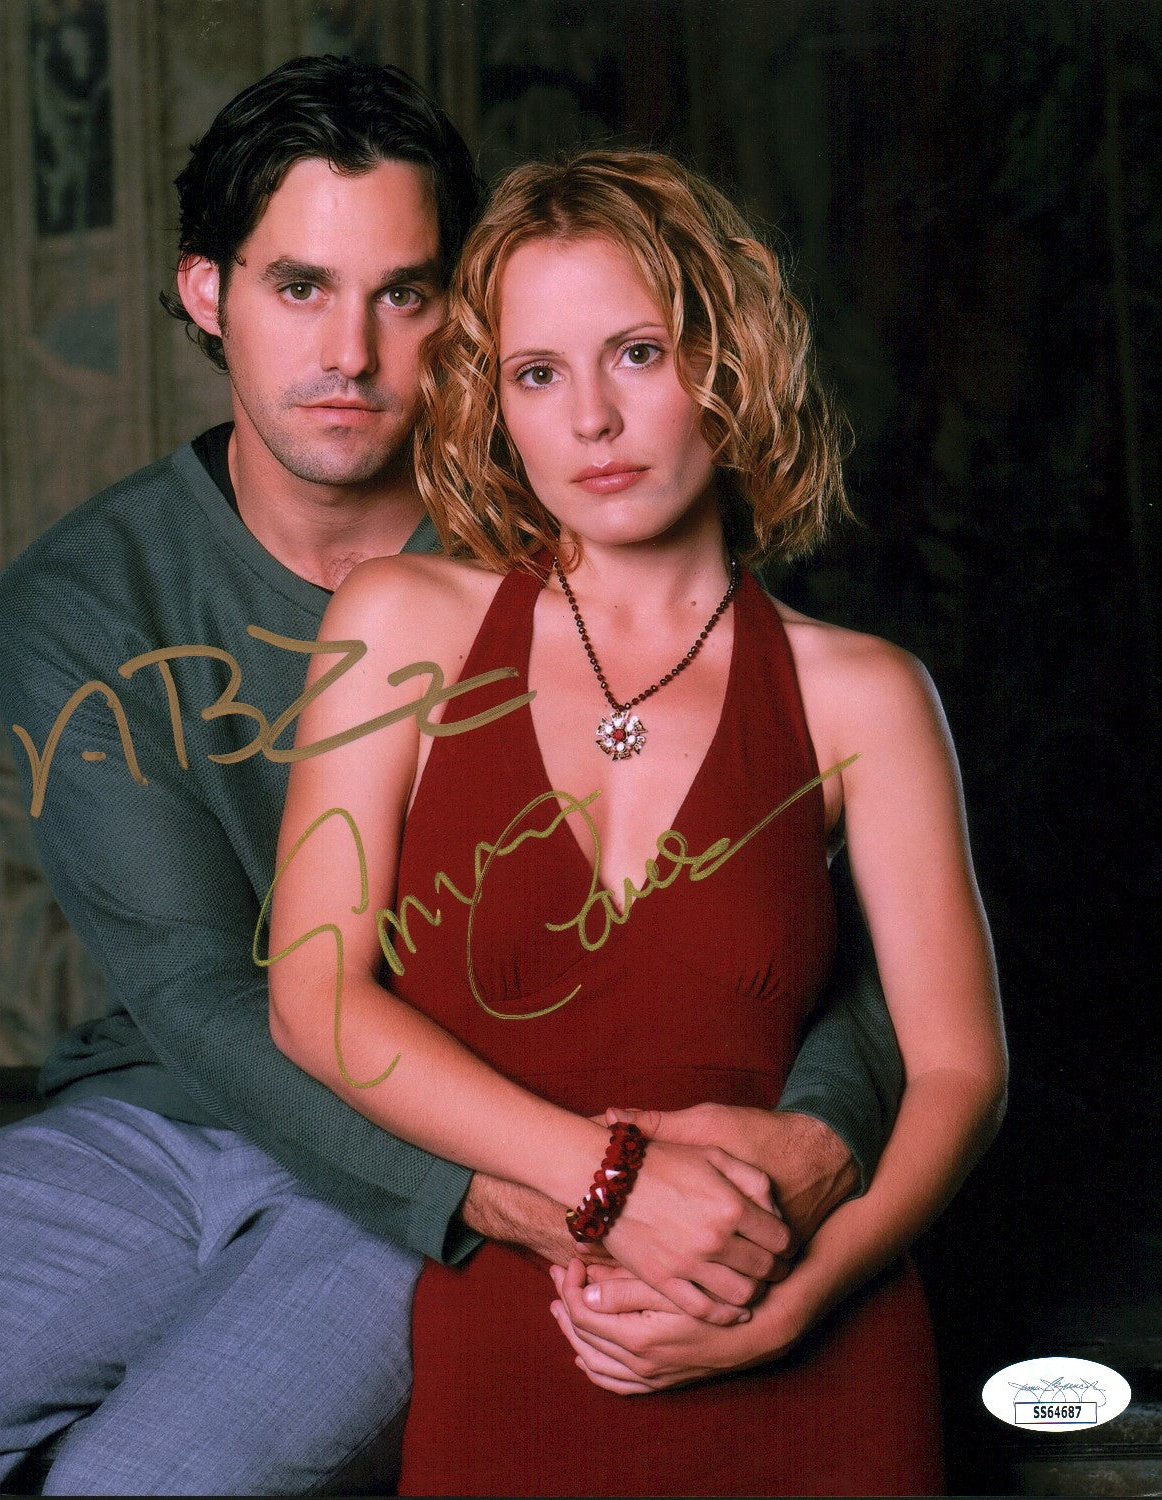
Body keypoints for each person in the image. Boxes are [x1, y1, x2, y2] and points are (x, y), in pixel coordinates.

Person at [0, 58, 901, 1497]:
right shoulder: (84, 600)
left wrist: (816, 1134)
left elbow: (836, 918)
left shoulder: (605, 515)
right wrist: (543, 1191)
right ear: (209, 293)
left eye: (403, 293)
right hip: (172, 1123)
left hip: (483, 1121)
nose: (349, 351)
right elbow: (205, 994)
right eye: (299, 287)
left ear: (462, 312)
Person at [266, 148, 1008, 1498]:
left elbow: (960, 1072)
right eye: (539, 374)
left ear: (730, 364)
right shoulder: (400, 624)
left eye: (639, 354)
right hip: (522, 1341)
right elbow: (314, 997)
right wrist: (607, 1181)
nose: (594, 421)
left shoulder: (865, 693)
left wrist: (799, 1300)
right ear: (495, 404)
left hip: (808, 1344)